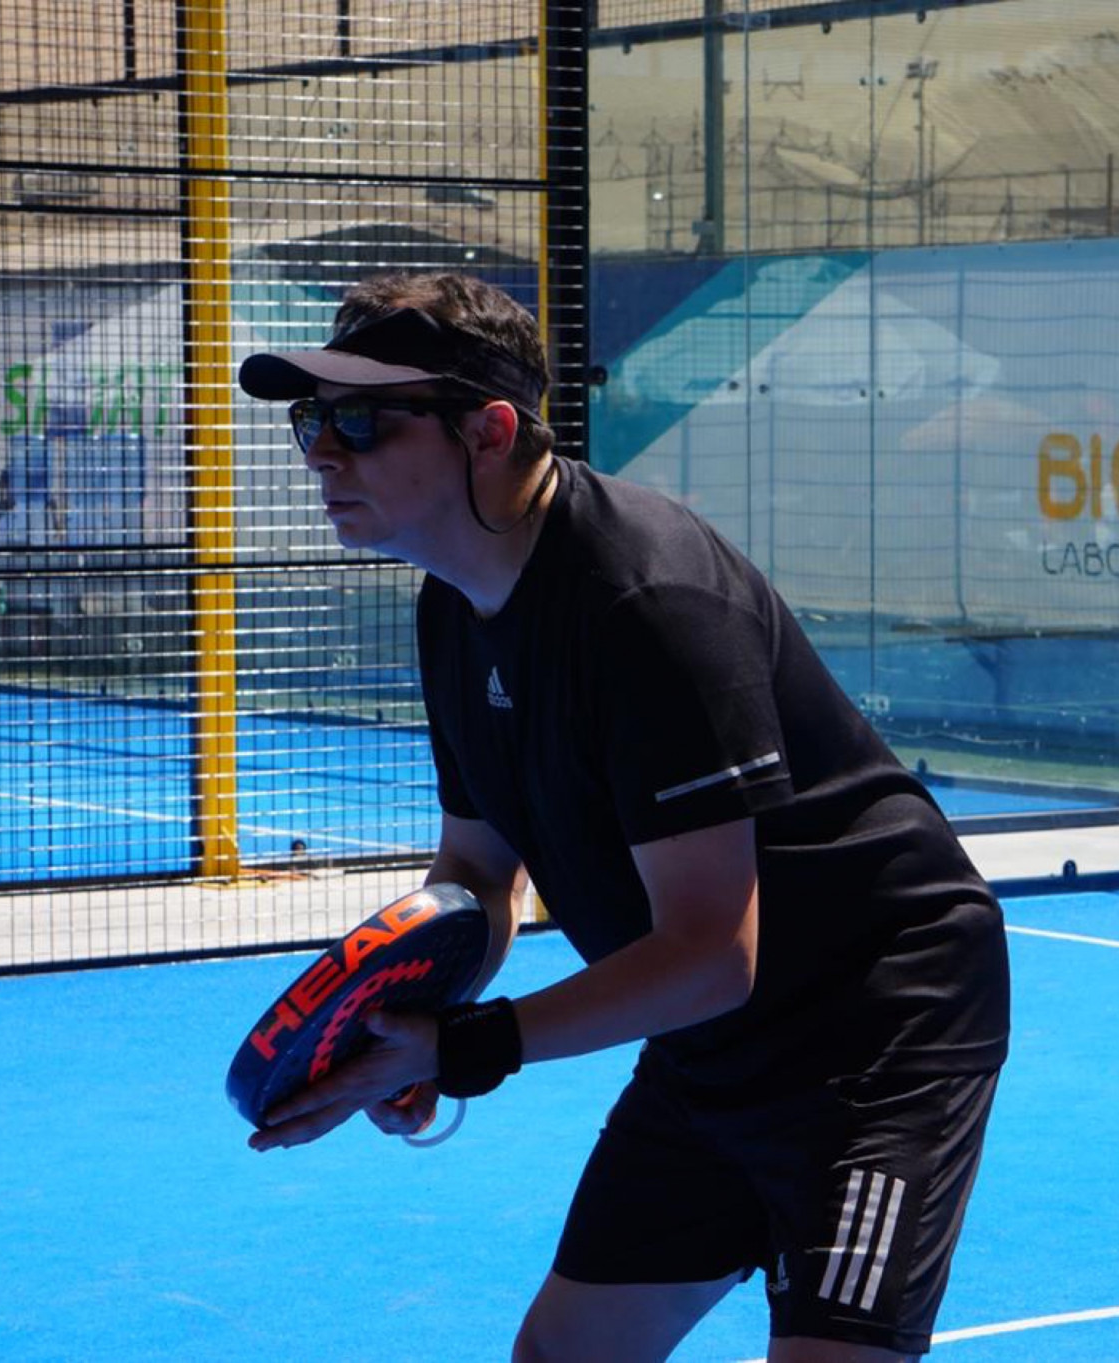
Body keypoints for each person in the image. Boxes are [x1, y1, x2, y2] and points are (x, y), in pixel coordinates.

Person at [236, 271, 1010, 1362]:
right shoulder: (450, 602)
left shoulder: (648, 605)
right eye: (312, 419)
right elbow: (476, 875)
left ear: (489, 431)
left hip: (877, 1028)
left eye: (360, 421)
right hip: (710, 1037)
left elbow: (712, 953)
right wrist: (405, 1027)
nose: (321, 450)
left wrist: (468, 1045)